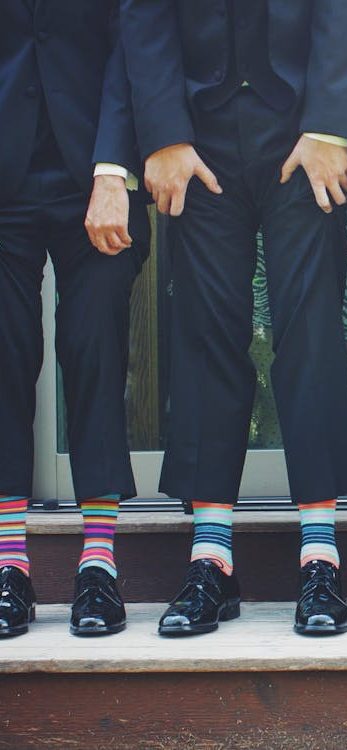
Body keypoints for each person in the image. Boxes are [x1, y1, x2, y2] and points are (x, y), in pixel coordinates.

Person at [120, 0, 347, 636]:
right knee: (204, 334)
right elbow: (141, 15)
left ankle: (320, 556)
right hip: (197, 135)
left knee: (311, 332)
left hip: (303, 126)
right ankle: (212, 559)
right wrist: (164, 135)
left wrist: (331, 126)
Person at [0, 0, 149, 637]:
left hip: (97, 167)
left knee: (95, 353)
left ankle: (98, 562)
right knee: (3, 362)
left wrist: (114, 166)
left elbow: (131, 42)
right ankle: (9, 565)